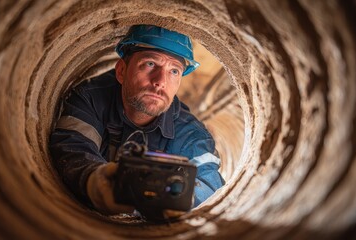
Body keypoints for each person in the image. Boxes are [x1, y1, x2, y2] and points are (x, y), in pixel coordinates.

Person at [49, 25, 225, 217]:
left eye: (174, 71)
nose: (160, 81)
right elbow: (73, 147)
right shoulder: (90, 98)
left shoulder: (189, 130)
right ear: (122, 71)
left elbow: (210, 182)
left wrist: (185, 199)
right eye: (150, 64)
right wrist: (94, 182)